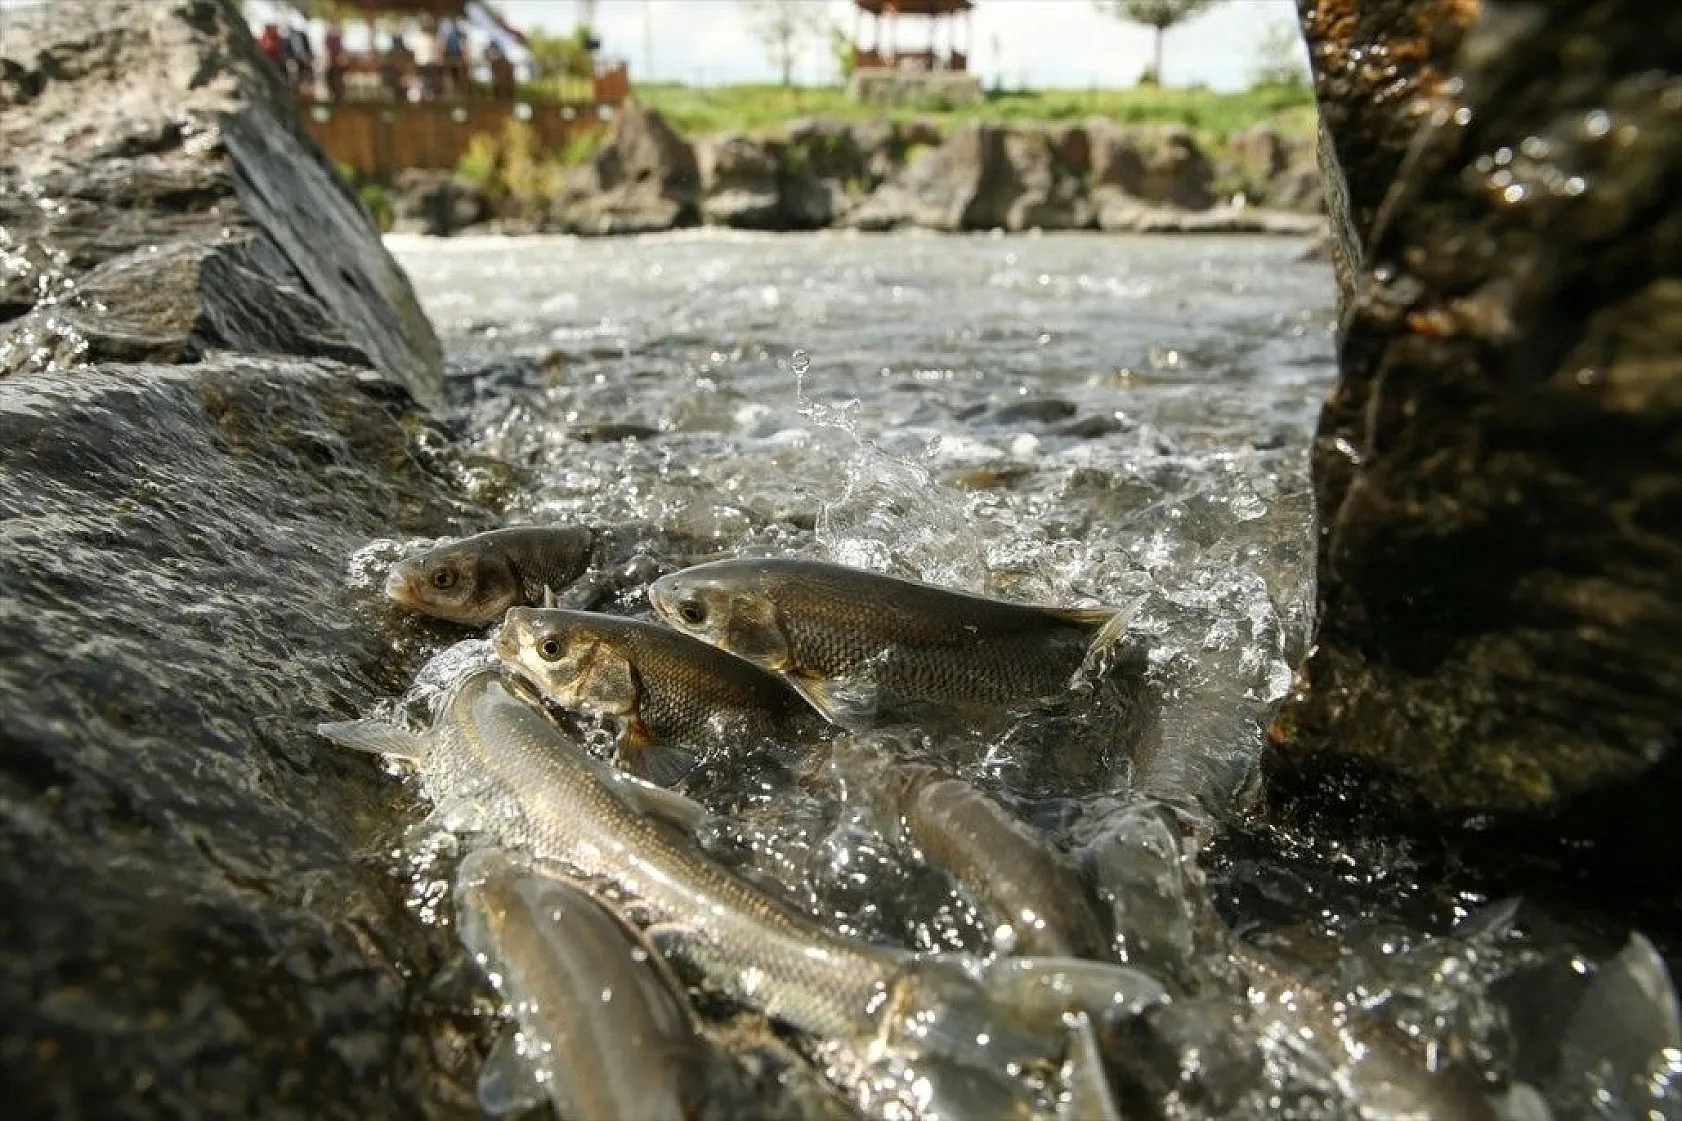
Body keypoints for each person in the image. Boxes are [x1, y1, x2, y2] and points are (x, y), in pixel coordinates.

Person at [413, 20, 441, 100]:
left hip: (425, 63)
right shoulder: (430, 38)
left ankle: (426, 96)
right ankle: (426, 96)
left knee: (426, 81)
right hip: (427, 64)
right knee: (427, 81)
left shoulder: (420, 38)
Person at [440, 19, 467, 97]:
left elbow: (463, 46)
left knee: (459, 77)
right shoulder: (447, 33)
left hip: (457, 58)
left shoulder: (459, 34)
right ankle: (451, 94)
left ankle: (459, 93)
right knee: (450, 77)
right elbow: (444, 46)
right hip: (450, 57)